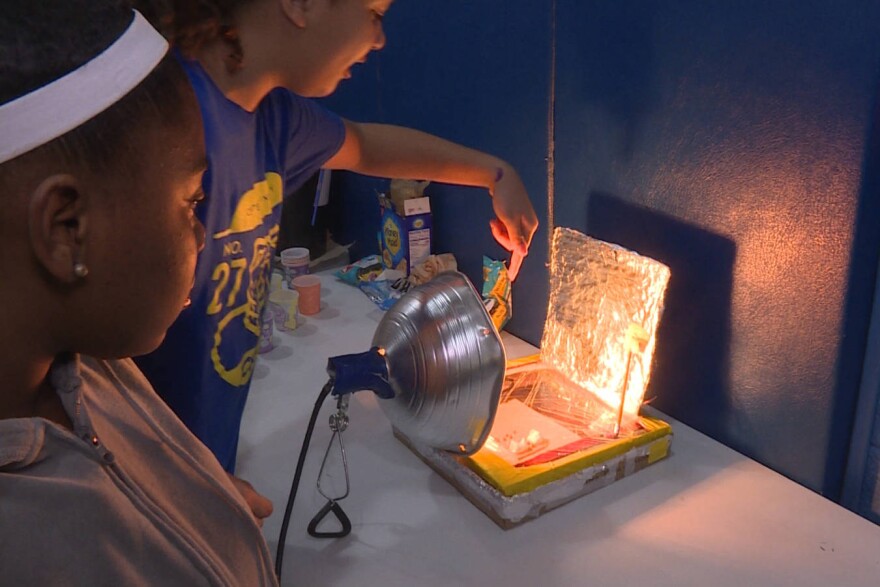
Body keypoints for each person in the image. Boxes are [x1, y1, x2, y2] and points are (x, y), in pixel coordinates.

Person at [133, 0, 541, 473]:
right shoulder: (161, 119)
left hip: (200, 471)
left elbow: (365, 146)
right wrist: (169, 493)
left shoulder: (273, 120)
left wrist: (496, 174)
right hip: (139, 484)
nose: (379, 40)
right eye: (373, 13)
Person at [0, 2, 277, 583]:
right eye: (192, 201)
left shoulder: (91, 365)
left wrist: (194, 502)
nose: (202, 235)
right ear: (68, 228)